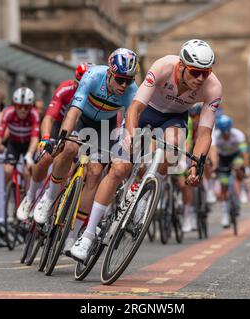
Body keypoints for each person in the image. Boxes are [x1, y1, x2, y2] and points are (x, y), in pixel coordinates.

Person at [71, 39, 222, 261]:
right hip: (146, 112)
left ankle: (144, 198)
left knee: (174, 145)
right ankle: (88, 235)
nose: (200, 79)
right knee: (119, 168)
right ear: (181, 66)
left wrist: (195, 166)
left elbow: (205, 133)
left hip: (174, 118)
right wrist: (131, 135)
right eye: (195, 72)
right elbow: (136, 107)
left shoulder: (213, 87)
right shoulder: (163, 66)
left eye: (205, 73)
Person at [31, 49, 139, 259]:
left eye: (128, 80)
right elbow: (74, 112)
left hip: (105, 126)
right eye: (120, 79)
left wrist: (129, 145)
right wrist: (64, 137)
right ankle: (49, 196)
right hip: (83, 118)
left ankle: (73, 235)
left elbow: (128, 124)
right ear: (109, 73)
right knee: (69, 147)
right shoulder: (93, 76)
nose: (123, 85)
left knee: (96, 171)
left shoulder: (130, 91)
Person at [16, 62, 91, 221]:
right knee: (46, 157)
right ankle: (30, 197)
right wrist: (44, 139)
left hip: (80, 127)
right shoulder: (66, 89)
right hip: (59, 124)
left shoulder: (96, 95)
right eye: (80, 83)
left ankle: (57, 206)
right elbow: (49, 117)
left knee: (72, 168)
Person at [0, 87, 40, 186]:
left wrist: (29, 155)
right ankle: (4, 195)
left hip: (28, 144)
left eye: (27, 107)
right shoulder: (8, 112)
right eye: (19, 106)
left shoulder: (34, 114)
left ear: (31, 106)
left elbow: (35, 137)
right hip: (14, 144)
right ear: (14, 105)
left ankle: (28, 199)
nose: (23, 110)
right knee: (8, 170)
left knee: (27, 172)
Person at [210, 115, 250, 228]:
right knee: (224, 185)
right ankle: (224, 215)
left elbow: (244, 153)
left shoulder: (238, 135)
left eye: (227, 132)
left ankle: (242, 190)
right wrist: (214, 166)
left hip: (235, 156)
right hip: (223, 158)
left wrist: (246, 168)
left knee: (238, 167)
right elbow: (214, 152)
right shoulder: (217, 136)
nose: (226, 135)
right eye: (223, 132)